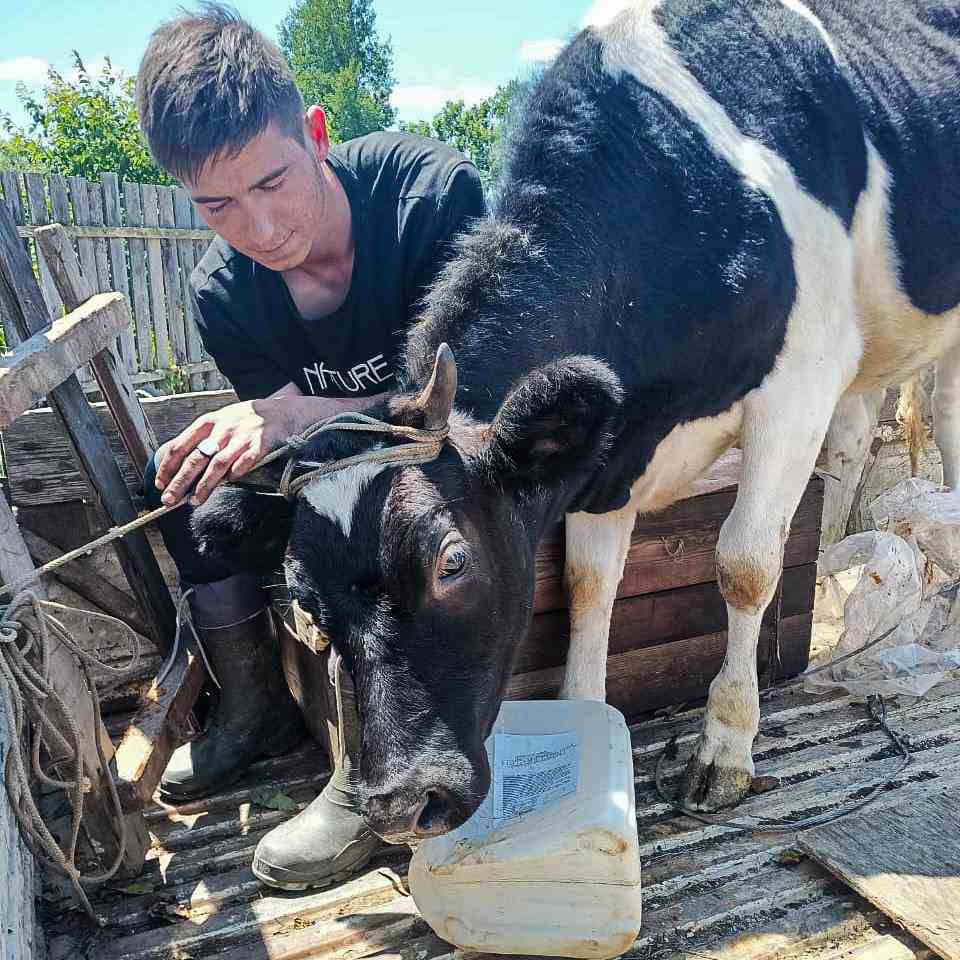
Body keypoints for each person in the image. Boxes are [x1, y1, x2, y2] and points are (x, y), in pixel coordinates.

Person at [134, 2, 485, 890]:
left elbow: (471, 398)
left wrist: (295, 416)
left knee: (368, 516)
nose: (254, 225)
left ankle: (371, 774)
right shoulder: (223, 293)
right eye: (216, 204)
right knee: (180, 491)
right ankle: (251, 703)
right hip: (325, 471)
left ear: (317, 134)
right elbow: (289, 449)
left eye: (271, 182)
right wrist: (264, 441)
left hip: (452, 476)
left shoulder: (431, 200)